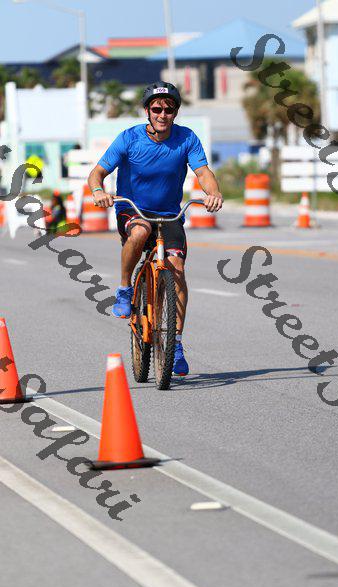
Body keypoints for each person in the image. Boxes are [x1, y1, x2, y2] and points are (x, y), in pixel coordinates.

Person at [88, 81, 223, 376]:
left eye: (169, 109)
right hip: (133, 210)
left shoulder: (186, 138)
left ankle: (175, 346)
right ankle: (125, 288)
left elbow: (203, 173)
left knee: (177, 269)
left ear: (176, 112)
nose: (163, 114)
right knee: (140, 232)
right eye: (157, 109)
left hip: (169, 214)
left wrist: (213, 193)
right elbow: (97, 172)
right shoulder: (129, 138)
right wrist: (98, 191)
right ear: (147, 111)